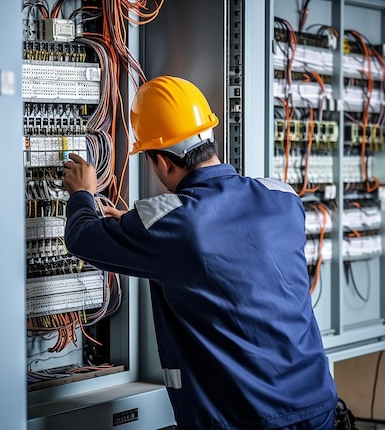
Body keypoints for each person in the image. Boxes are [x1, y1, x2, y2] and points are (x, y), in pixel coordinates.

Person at [62, 75, 339, 429]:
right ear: (209, 137)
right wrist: (137, 227)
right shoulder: (283, 198)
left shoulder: (169, 222)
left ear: (162, 161)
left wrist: (82, 193)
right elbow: (219, 238)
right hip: (316, 405)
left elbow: (83, 236)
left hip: (245, 419)